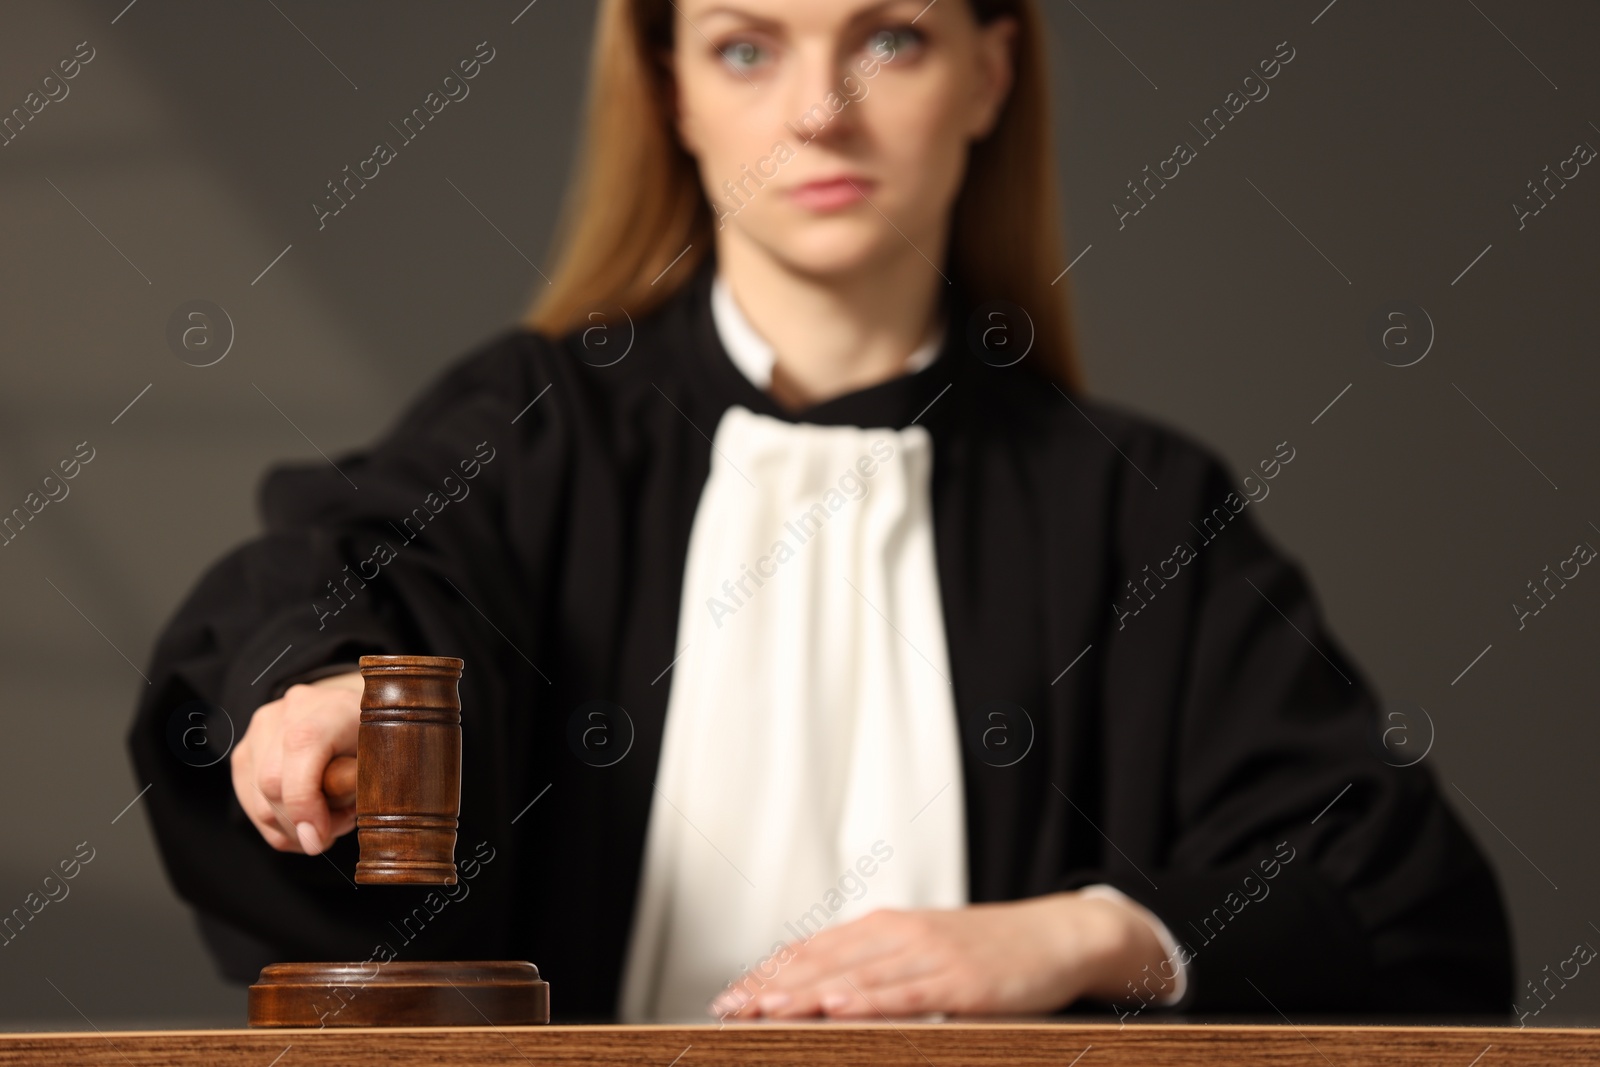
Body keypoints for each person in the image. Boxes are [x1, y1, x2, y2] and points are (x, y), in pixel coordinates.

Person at [129, 0, 1512, 1023]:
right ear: (669, 87)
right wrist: (324, 692)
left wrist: (1088, 938)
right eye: (748, 46)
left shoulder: (1134, 508)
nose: (819, 113)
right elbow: (350, 566)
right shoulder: (532, 427)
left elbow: (1407, 900)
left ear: (992, 69)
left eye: (892, 38)